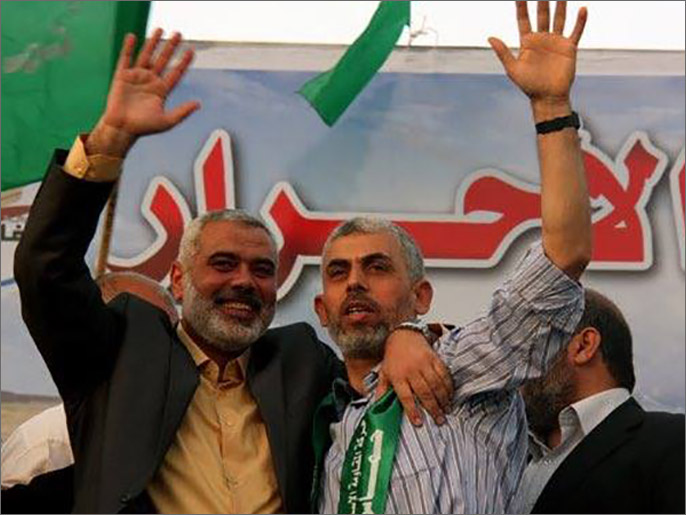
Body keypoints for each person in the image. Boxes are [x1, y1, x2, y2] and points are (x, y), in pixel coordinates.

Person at [14, 30, 452, 514]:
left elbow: (367, 363)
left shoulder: (300, 362)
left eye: (262, 269)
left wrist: (409, 334)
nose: (244, 281)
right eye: (223, 264)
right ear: (178, 280)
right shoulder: (119, 351)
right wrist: (110, 141)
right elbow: (45, 268)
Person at [310, 1, 592, 513]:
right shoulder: (334, 434)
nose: (354, 282)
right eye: (338, 272)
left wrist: (551, 107)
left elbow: (565, 255)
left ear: (421, 297)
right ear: (321, 310)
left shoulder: (459, 367)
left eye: (377, 267)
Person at [1, 272, 180, 513]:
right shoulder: (44, 445)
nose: (165, 351)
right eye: (148, 335)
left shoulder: (182, 434)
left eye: (171, 336)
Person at [516, 288, 685, 514]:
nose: (513, 366)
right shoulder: (509, 458)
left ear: (584, 345)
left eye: (529, 345)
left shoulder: (674, 441)